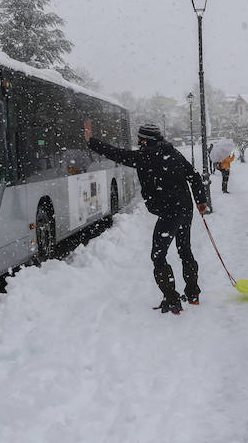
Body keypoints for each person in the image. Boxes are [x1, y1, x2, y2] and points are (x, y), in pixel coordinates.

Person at [87, 122, 210, 314]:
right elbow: (193, 176)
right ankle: (193, 294)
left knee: (158, 255)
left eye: (140, 139)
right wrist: (201, 201)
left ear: (145, 140)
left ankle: (172, 300)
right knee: (184, 249)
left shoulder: (145, 156)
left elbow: (116, 154)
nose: (138, 142)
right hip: (185, 208)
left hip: (170, 211)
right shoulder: (172, 152)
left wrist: (91, 141)